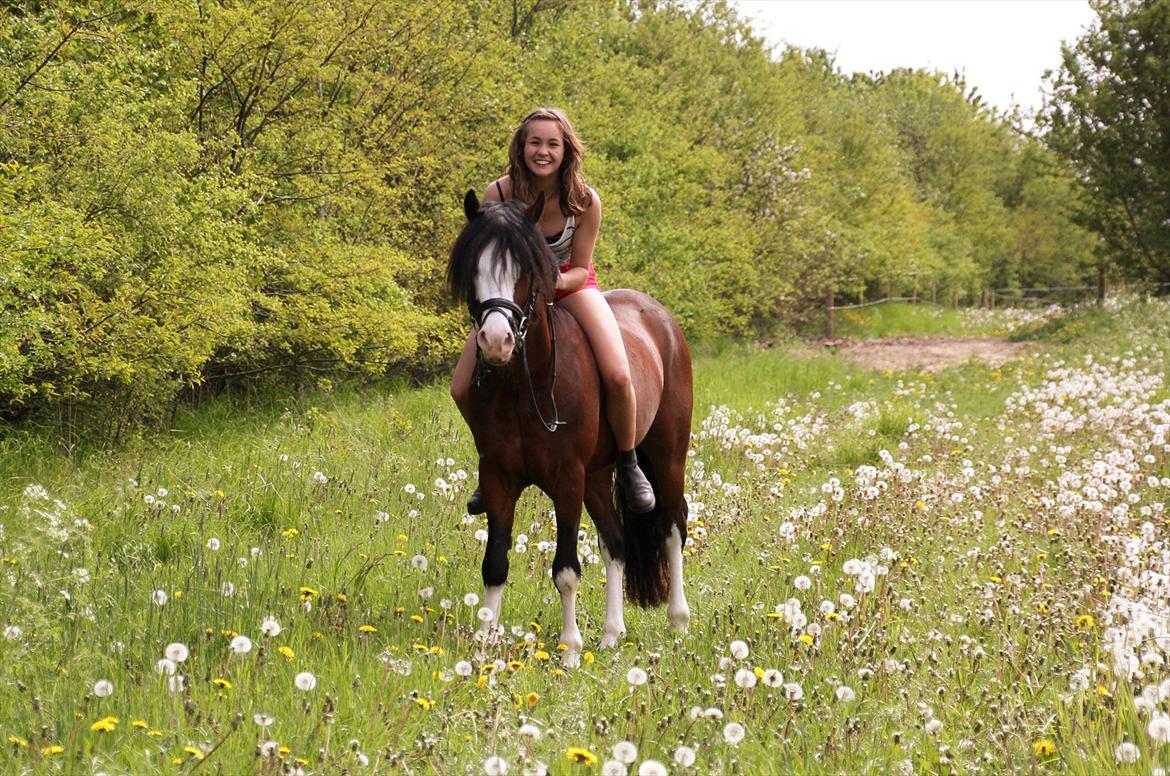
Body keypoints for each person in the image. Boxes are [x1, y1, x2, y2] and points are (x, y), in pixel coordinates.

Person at [451, 107, 655, 514]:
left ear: (566, 150)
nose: (542, 151)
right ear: (521, 147)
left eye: (552, 144)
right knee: (460, 387)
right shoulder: (499, 194)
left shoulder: (584, 200)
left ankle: (630, 464)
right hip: (511, 298)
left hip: (568, 286)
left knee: (617, 373)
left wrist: (551, 283)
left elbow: (580, 267)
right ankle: (489, 464)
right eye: (535, 142)